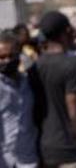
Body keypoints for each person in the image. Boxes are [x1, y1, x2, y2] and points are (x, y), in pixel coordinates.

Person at [34, 11, 76, 168]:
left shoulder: (34, 68)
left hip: (45, 151)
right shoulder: (73, 65)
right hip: (72, 152)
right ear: (67, 31)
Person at [0, 30, 39, 168]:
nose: (7, 61)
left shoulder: (28, 83)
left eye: (11, 56)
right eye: (2, 57)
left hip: (28, 159)